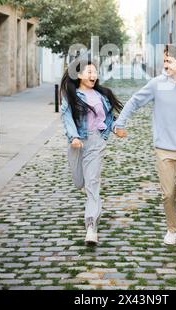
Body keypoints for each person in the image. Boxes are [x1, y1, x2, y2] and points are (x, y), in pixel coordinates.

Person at [114, 44, 176, 245]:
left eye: (169, 61)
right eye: (165, 60)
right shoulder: (158, 83)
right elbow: (135, 101)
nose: (165, 64)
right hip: (164, 148)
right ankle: (172, 229)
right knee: (168, 193)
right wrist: (120, 122)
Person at [60, 58, 123, 245]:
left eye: (95, 72)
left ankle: (91, 227)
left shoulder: (103, 95)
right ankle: (93, 207)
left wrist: (115, 129)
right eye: (89, 72)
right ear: (78, 75)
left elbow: (109, 118)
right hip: (77, 144)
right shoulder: (72, 96)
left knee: (92, 183)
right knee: (80, 182)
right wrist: (74, 137)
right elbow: (67, 119)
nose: (93, 75)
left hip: (96, 143)